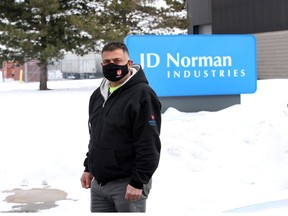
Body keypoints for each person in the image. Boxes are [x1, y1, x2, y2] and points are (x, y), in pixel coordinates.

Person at [80, 41, 162, 212]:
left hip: (127, 185)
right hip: (99, 184)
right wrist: (89, 167)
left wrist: (138, 181)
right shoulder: (98, 95)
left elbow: (149, 143)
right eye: (107, 62)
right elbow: (95, 136)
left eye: (117, 61)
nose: (112, 66)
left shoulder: (142, 94)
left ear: (129, 63)